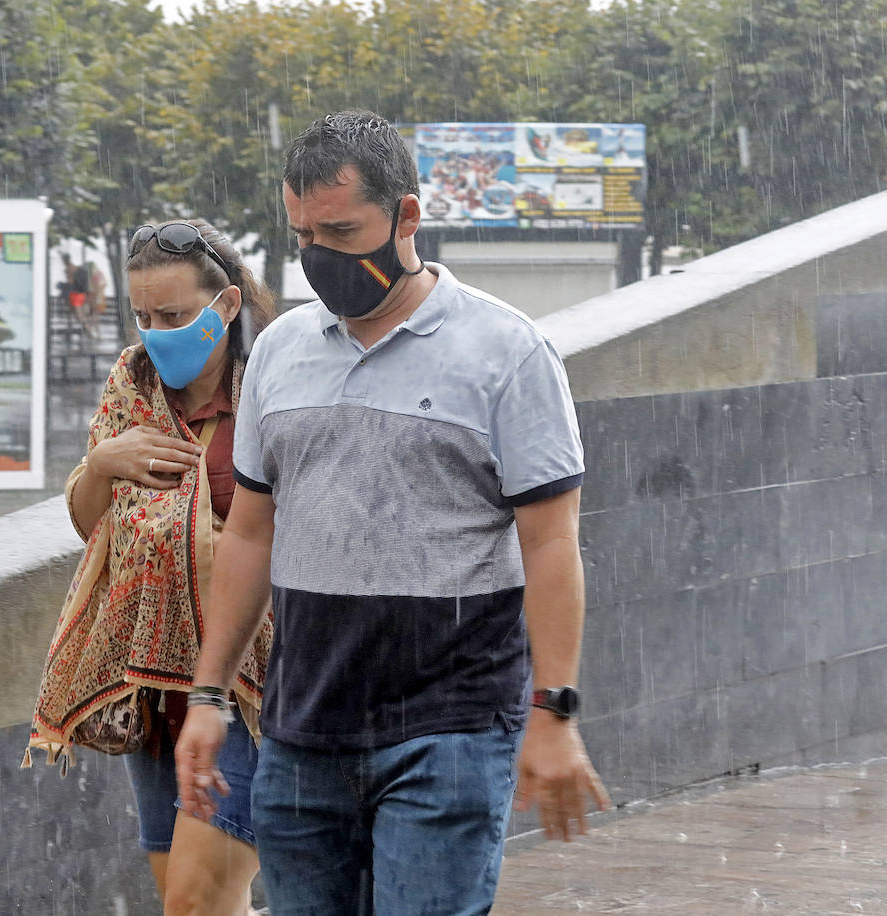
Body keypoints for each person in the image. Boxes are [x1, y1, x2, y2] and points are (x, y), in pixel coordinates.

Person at [174, 109, 611, 913]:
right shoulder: (278, 352)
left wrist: (555, 710)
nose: (318, 257)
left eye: (340, 231)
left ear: (407, 216)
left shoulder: (506, 352)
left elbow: (551, 543)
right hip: (302, 731)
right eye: (303, 234)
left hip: (449, 729)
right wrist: (208, 695)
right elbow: (250, 533)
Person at [27, 220, 275, 916]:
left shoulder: (268, 388)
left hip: (245, 692)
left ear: (225, 305)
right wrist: (102, 465)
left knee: (195, 904)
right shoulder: (131, 385)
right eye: (142, 315)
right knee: (193, 904)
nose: (155, 331)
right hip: (152, 688)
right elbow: (92, 526)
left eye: (172, 315)